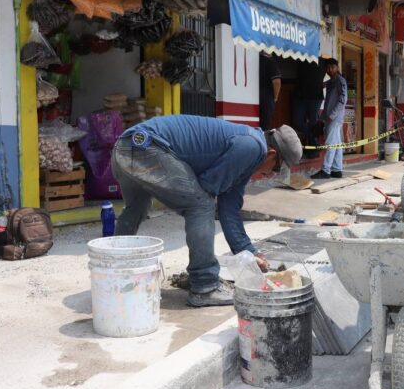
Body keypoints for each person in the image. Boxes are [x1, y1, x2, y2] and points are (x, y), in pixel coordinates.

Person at [111, 115, 302, 307]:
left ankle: (112, 272)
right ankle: (205, 286)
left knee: (136, 208)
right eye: (276, 169)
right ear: (270, 154)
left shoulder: (248, 150)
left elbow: (229, 209)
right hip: (148, 148)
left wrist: (249, 252)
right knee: (201, 204)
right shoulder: (253, 147)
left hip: (126, 147)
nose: (271, 174)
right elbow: (208, 188)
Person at [311, 58, 347, 179]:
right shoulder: (332, 81)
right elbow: (325, 90)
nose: (330, 69)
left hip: (334, 118)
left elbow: (343, 100)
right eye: (328, 68)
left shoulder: (340, 81)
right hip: (329, 117)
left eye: (332, 67)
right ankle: (337, 169)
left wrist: (332, 115)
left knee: (331, 143)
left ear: (337, 67)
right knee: (337, 144)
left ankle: (326, 170)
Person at [292, 60, 325, 158]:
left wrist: (329, 83)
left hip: (315, 96)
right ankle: (314, 141)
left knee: (313, 123)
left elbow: (334, 73)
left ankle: (313, 149)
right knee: (297, 122)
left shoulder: (322, 60)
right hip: (300, 95)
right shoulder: (300, 55)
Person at [259, 51, 282, 130]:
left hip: (253, 96)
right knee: (265, 126)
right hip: (266, 97)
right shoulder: (270, 62)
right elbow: (277, 82)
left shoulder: (254, 61)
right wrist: (275, 97)